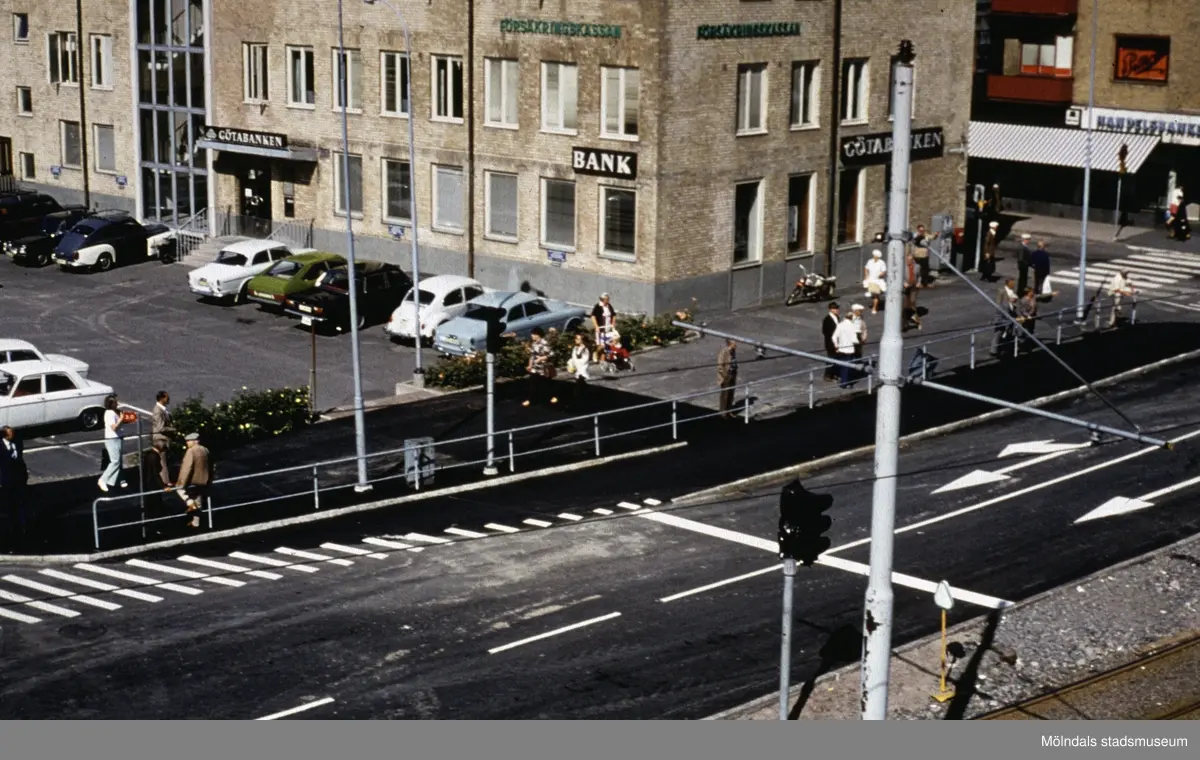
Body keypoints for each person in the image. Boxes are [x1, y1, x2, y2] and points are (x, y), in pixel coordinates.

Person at [173, 433, 212, 529]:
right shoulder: (205, 449)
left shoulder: (191, 451)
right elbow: (211, 465)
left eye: (188, 441)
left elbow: (187, 468)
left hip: (193, 481)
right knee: (198, 500)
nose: (187, 443)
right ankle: (196, 523)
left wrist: (181, 483)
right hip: (204, 481)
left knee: (180, 490)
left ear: (194, 441)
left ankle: (190, 503)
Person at [1, 426, 29, 551]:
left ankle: (22, 525)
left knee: (22, 502)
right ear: (5, 436)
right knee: (10, 505)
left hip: (19, 478)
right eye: (11, 434)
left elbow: (20, 457)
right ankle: (12, 526)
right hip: (7, 480)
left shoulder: (17, 442)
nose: (13, 436)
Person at [98, 395, 128, 493]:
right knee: (115, 461)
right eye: (115, 402)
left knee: (118, 460)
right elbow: (114, 427)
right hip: (112, 439)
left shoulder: (115, 412)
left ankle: (114, 480)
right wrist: (120, 419)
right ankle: (103, 479)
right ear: (111, 404)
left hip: (118, 437)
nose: (117, 403)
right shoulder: (109, 413)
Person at [141, 438, 171, 535]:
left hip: (146, 484)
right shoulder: (155, 457)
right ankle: (156, 529)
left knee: (150, 508)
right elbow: (155, 474)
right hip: (152, 485)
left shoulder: (147, 455)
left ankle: (149, 528)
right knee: (156, 508)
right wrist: (163, 486)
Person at [522, 328, 557, 407]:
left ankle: (552, 396)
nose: (532, 336)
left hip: (544, 367)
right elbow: (532, 355)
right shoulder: (534, 344)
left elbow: (551, 354)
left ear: (538, 335)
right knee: (533, 383)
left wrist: (541, 358)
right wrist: (530, 365)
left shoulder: (544, 343)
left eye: (533, 334)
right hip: (535, 367)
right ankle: (530, 399)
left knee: (546, 383)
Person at [832, 315, 860, 388]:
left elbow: (834, 337)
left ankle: (842, 380)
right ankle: (846, 383)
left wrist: (836, 345)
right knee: (848, 367)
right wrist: (859, 342)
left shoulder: (840, 325)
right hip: (849, 350)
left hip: (841, 349)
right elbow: (855, 340)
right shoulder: (853, 326)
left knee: (842, 366)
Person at [567, 333, 591, 407]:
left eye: (578, 339)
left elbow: (584, 360)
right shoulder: (575, 348)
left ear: (582, 340)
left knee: (578, 389)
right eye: (576, 338)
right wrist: (571, 363)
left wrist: (575, 362)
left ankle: (577, 404)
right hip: (578, 371)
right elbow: (573, 358)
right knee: (583, 388)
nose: (576, 340)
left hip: (583, 372)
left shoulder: (585, 349)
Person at [716, 339, 738, 418]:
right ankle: (723, 412)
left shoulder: (733, 351)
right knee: (725, 394)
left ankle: (729, 410)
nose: (736, 345)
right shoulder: (724, 351)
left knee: (731, 393)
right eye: (734, 343)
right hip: (726, 375)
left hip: (733, 374)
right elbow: (720, 365)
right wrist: (725, 375)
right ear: (730, 344)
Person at [591, 293, 616, 361]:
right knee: (602, 345)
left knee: (608, 344)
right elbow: (593, 316)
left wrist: (613, 323)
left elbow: (613, 315)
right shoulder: (598, 306)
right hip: (601, 329)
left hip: (608, 329)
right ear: (602, 299)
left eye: (608, 299)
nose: (608, 300)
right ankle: (595, 352)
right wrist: (596, 326)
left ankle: (603, 361)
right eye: (607, 299)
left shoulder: (609, 306)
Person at [862, 250, 887, 314]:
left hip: (877, 280)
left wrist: (880, 275)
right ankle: (871, 293)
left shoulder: (882, 263)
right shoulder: (870, 261)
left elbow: (884, 271)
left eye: (876, 256)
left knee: (876, 295)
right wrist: (866, 275)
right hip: (870, 279)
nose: (875, 257)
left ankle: (874, 308)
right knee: (873, 294)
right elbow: (866, 268)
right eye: (874, 256)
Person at [902, 249, 921, 331]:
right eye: (907, 259)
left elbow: (919, 276)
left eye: (909, 260)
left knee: (912, 302)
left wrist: (919, 282)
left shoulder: (917, 266)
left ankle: (917, 320)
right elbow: (900, 277)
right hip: (906, 286)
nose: (908, 261)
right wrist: (903, 283)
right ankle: (904, 324)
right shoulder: (903, 267)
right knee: (905, 306)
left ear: (912, 260)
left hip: (914, 285)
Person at [821, 302, 841, 381]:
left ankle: (834, 374)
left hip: (837, 342)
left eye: (837, 308)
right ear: (831, 310)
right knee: (831, 359)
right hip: (830, 343)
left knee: (836, 359)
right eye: (835, 309)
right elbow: (825, 331)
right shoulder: (827, 319)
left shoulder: (837, 317)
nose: (837, 310)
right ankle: (827, 375)